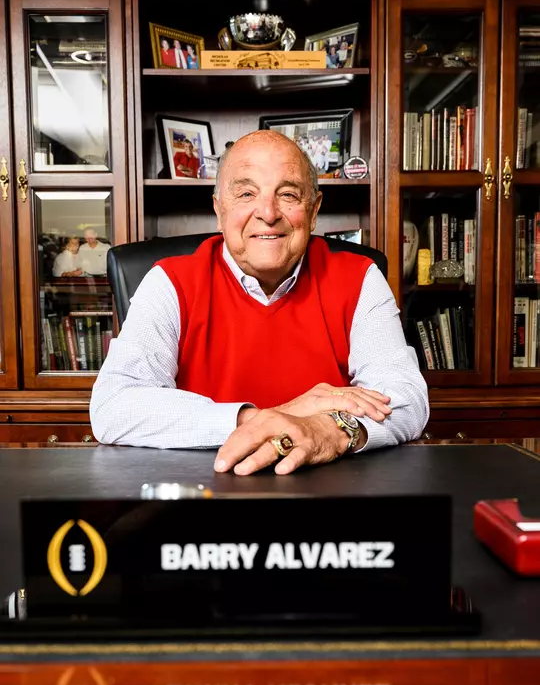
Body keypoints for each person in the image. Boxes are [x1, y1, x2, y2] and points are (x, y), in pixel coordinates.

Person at [90, 130, 429, 475]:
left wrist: (331, 430)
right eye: (246, 194)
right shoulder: (169, 281)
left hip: (330, 494)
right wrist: (275, 418)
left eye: (288, 194)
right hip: (203, 491)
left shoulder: (360, 278)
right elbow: (115, 406)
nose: (268, 213)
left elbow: (406, 400)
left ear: (314, 211)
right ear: (219, 209)